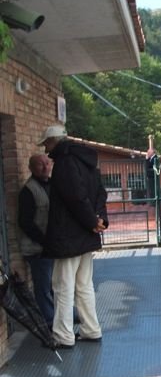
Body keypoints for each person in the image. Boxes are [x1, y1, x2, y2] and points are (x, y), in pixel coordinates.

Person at [37, 124, 108, 348]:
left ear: (54, 141)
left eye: (47, 143)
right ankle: (91, 328)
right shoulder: (87, 160)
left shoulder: (65, 163)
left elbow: (75, 197)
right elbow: (99, 193)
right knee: (84, 285)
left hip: (68, 237)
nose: (46, 149)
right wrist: (98, 221)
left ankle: (63, 335)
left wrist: (90, 221)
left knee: (62, 286)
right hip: (87, 236)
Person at [17, 154, 54, 328]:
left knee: (55, 284)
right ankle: (49, 321)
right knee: (43, 288)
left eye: (47, 163)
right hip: (38, 249)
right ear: (31, 168)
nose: (45, 167)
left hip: (53, 247)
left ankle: (59, 317)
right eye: (40, 165)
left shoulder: (53, 184)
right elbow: (25, 222)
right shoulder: (28, 190)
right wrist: (44, 241)